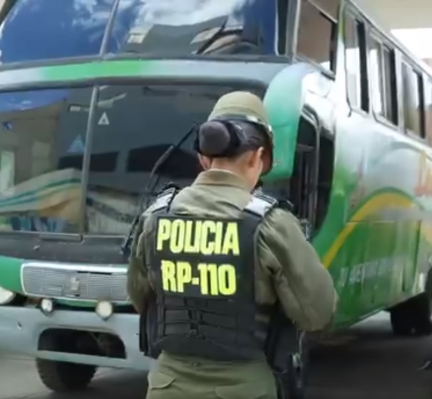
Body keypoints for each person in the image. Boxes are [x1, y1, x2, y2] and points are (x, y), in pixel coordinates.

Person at [127, 91, 337, 399]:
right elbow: (318, 313)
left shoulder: (155, 216)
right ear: (258, 157)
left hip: (166, 387)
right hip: (244, 389)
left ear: (203, 157)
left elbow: (138, 297)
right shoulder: (272, 223)